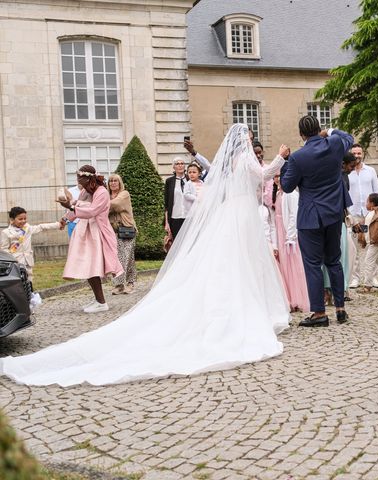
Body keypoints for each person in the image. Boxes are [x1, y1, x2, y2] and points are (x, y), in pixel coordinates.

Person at [0, 124, 290, 386]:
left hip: (234, 213)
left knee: (233, 261)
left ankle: (244, 304)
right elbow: (264, 174)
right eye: (250, 138)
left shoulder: (229, 163)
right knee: (244, 261)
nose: (252, 141)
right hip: (242, 213)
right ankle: (248, 309)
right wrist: (280, 157)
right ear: (244, 141)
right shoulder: (247, 158)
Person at [280, 115, 353, 327]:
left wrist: (284, 162)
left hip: (310, 217)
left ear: (301, 134)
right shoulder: (336, 144)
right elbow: (347, 136)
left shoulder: (298, 157)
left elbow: (286, 186)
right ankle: (340, 308)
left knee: (312, 265)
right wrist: (329, 132)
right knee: (333, 261)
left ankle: (319, 312)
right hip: (333, 213)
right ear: (320, 129)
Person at [57, 165, 123, 313]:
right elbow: (74, 210)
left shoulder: (102, 193)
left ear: (88, 178)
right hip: (84, 232)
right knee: (87, 266)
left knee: (93, 266)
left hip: (96, 232)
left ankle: (101, 302)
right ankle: (98, 300)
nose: (78, 181)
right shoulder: (84, 192)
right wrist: (64, 219)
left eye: (80, 178)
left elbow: (92, 212)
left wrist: (72, 207)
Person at [324, 152, 358, 305]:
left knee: (340, 256)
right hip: (336, 220)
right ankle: (334, 290)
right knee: (338, 257)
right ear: (343, 164)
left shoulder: (342, 176)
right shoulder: (341, 176)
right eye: (351, 166)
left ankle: (335, 289)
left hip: (339, 220)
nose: (352, 169)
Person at [272, 173, 309, 313]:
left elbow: (294, 215)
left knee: (292, 265)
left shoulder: (291, 194)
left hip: (287, 232)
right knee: (283, 265)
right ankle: (286, 297)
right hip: (278, 230)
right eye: (275, 176)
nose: (277, 179)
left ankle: (296, 299)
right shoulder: (278, 194)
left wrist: (291, 236)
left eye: (279, 176)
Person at [347, 144, 378, 289]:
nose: (357, 156)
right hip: (354, 215)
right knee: (354, 248)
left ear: (362, 154)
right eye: (354, 153)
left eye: (359, 153)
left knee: (371, 246)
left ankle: (372, 277)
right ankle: (355, 277)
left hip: (369, 216)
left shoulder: (371, 171)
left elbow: (377, 192)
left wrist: (377, 212)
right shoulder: (347, 173)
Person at [0, 207, 63, 282]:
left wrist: (58, 224)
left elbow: (41, 227)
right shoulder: (6, 232)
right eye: (20, 219)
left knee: (29, 281)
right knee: (18, 283)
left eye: (25, 218)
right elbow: (4, 249)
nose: (23, 221)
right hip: (16, 263)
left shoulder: (27, 228)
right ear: (12, 220)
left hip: (28, 261)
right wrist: (12, 260)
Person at [107, 174, 137, 295]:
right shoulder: (107, 196)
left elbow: (116, 204)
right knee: (119, 258)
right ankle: (122, 284)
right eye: (111, 181)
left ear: (120, 183)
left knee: (125, 257)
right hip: (112, 231)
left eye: (116, 181)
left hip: (126, 229)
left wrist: (101, 205)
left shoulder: (124, 194)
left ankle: (126, 283)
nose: (113, 183)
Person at [164, 157, 188, 240]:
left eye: (182, 163)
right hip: (175, 217)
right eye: (177, 164)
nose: (180, 165)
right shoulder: (169, 181)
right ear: (174, 167)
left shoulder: (190, 179)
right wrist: (166, 222)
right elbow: (166, 203)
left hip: (189, 217)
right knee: (176, 242)